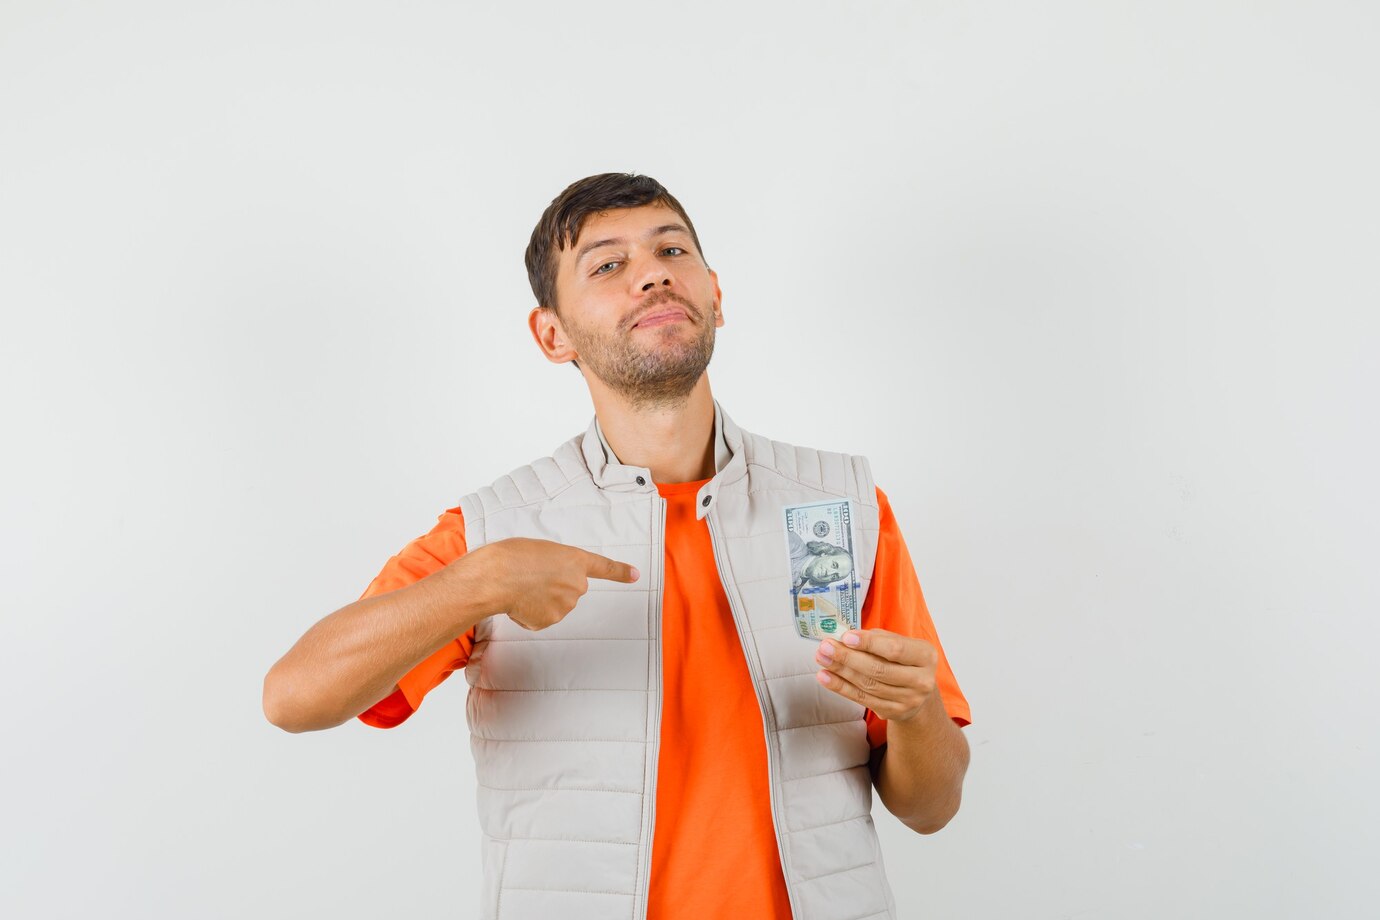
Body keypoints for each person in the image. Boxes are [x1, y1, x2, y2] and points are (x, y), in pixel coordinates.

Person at [263, 172, 973, 920]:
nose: (654, 272)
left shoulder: (844, 507)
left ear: (717, 295)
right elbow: (293, 698)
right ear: (553, 334)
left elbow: (931, 808)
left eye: (672, 249)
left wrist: (916, 707)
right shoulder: (496, 531)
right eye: (607, 265)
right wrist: (483, 584)